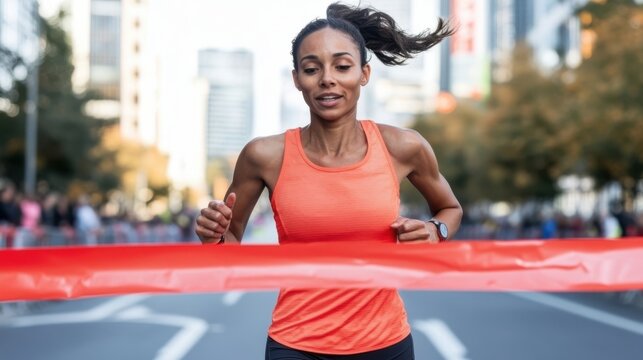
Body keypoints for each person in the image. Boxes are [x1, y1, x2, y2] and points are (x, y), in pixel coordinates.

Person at [196, 3, 462, 359]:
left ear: (364, 73)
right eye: (311, 68)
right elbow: (226, 248)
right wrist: (213, 236)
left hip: (385, 344)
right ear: (296, 79)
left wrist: (435, 231)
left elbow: (450, 208)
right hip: (295, 345)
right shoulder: (264, 155)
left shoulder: (403, 146)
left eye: (342, 66)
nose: (327, 79)